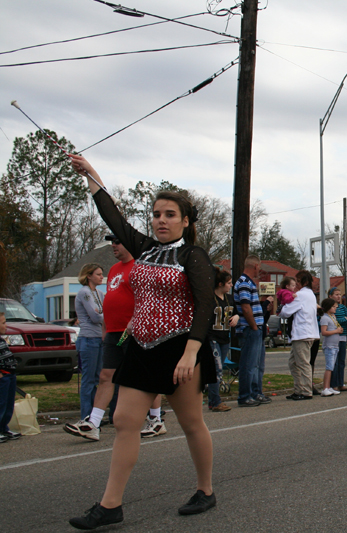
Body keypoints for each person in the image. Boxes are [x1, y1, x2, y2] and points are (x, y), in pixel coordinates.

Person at [68, 155, 218, 529]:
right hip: (141, 346)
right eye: (156, 214)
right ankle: (110, 505)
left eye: (170, 214)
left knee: (191, 423)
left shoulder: (193, 255)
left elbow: (205, 307)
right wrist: (91, 175)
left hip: (181, 349)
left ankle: (205, 489)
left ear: (185, 221)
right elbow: (112, 216)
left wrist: (191, 353)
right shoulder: (144, 248)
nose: (161, 220)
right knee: (123, 420)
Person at [65, 237, 167, 441]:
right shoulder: (113, 270)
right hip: (113, 333)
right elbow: (110, 301)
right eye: (111, 242)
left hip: (136, 332)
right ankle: (93, 423)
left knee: (146, 377)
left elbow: (151, 300)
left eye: (118, 241)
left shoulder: (141, 267)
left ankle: (156, 420)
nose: (113, 245)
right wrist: (105, 328)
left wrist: (136, 321)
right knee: (106, 376)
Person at [233, 256, 270, 407]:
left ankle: (256, 392)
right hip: (249, 328)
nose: (259, 271)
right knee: (248, 363)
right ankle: (245, 395)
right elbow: (245, 306)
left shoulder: (249, 283)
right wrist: (254, 326)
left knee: (257, 364)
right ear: (255, 266)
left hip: (257, 328)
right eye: (259, 267)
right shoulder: (243, 283)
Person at [280, 270, 320, 400]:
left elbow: (286, 312)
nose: (296, 284)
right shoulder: (311, 295)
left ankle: (306, 390)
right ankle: (298, 389)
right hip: (307, 332)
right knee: (293, 363)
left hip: (302, 333)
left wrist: (281, 308)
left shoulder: (300, 295)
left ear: (305, 282)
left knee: (302, 363)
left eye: (297, 281)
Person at [75, 263, 105, 421]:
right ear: (89, 276)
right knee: (88, 380)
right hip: (88, 339)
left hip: (99, 338)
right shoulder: (84, 293)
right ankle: (86, 415)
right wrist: (102, 315)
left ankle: (94, 417)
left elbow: (105, 311)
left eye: (102, 274)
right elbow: (95, 317)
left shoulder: (99, 293)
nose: (101, 277)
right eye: (98, 274)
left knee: (97, 378)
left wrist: (101, 314)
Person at [207, 269, 239, 412]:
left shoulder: (230, 299)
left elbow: (237, 312)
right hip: (212, 337)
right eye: (229, 283)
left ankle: (213, 399)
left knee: (217, 369)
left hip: (225, 338)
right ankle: (215, 401)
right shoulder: (209, 299)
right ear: (220, 284)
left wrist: (236, 317)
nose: (231, 285)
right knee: (217, 369)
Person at [0, 312, 20, 443]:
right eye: (3, 323)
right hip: (3, 376)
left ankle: (4, 427)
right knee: (1, 403)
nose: (6, 325)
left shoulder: (2, 340)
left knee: (8, 403)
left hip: (10, 375)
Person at [329, 287, 347, 392]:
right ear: (330, 296)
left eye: (340, 294)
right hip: (333, 337)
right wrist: (343, 320)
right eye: (336, 294)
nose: (339, 296)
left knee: (341, 361)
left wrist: (342, 320)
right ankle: (333, 383)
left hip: (342, 336)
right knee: (335, 361)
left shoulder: (342, 307)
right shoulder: (328, 308)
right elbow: (331, 320)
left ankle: (341, 383)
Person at [318, 298, 343, 397]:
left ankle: (329, 387)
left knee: (332, 367)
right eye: (333, 306)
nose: (335, 308)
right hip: (329, 346)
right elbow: (324, 332)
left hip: (335, 345)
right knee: (329, 367)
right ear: (328, 307)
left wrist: (338, 330)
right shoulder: (324, 318)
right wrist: (336, 331)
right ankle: (325, 388)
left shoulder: (332, 316)